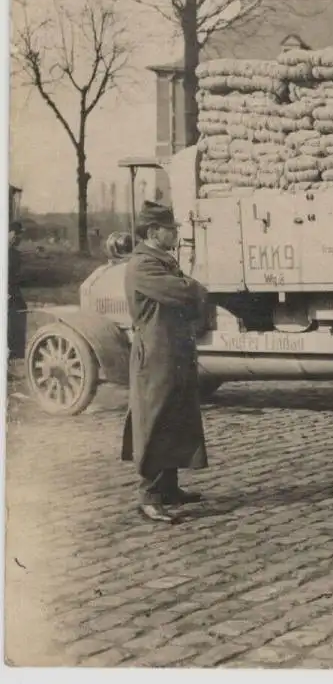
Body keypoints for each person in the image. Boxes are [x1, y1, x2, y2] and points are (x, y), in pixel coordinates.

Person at [120, 202, 210, 524]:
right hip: (156, 354)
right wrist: (196, 288)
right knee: (155, 420)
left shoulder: (161, 261)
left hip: (172, 352)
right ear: (153, 232)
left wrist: (192, 290)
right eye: (171, 229)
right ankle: (149, 496)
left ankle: (169, 488)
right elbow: (184, 293)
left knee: (175, 415)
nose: (175, 234)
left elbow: (185, 293)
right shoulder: (144, 265)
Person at [8, 221, 25, 362]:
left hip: (13, 290)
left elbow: (17, 276)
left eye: (20, 235)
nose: (18, 238)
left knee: (20, 309)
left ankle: (17, 349)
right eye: (15, 234)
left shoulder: (16, 254)